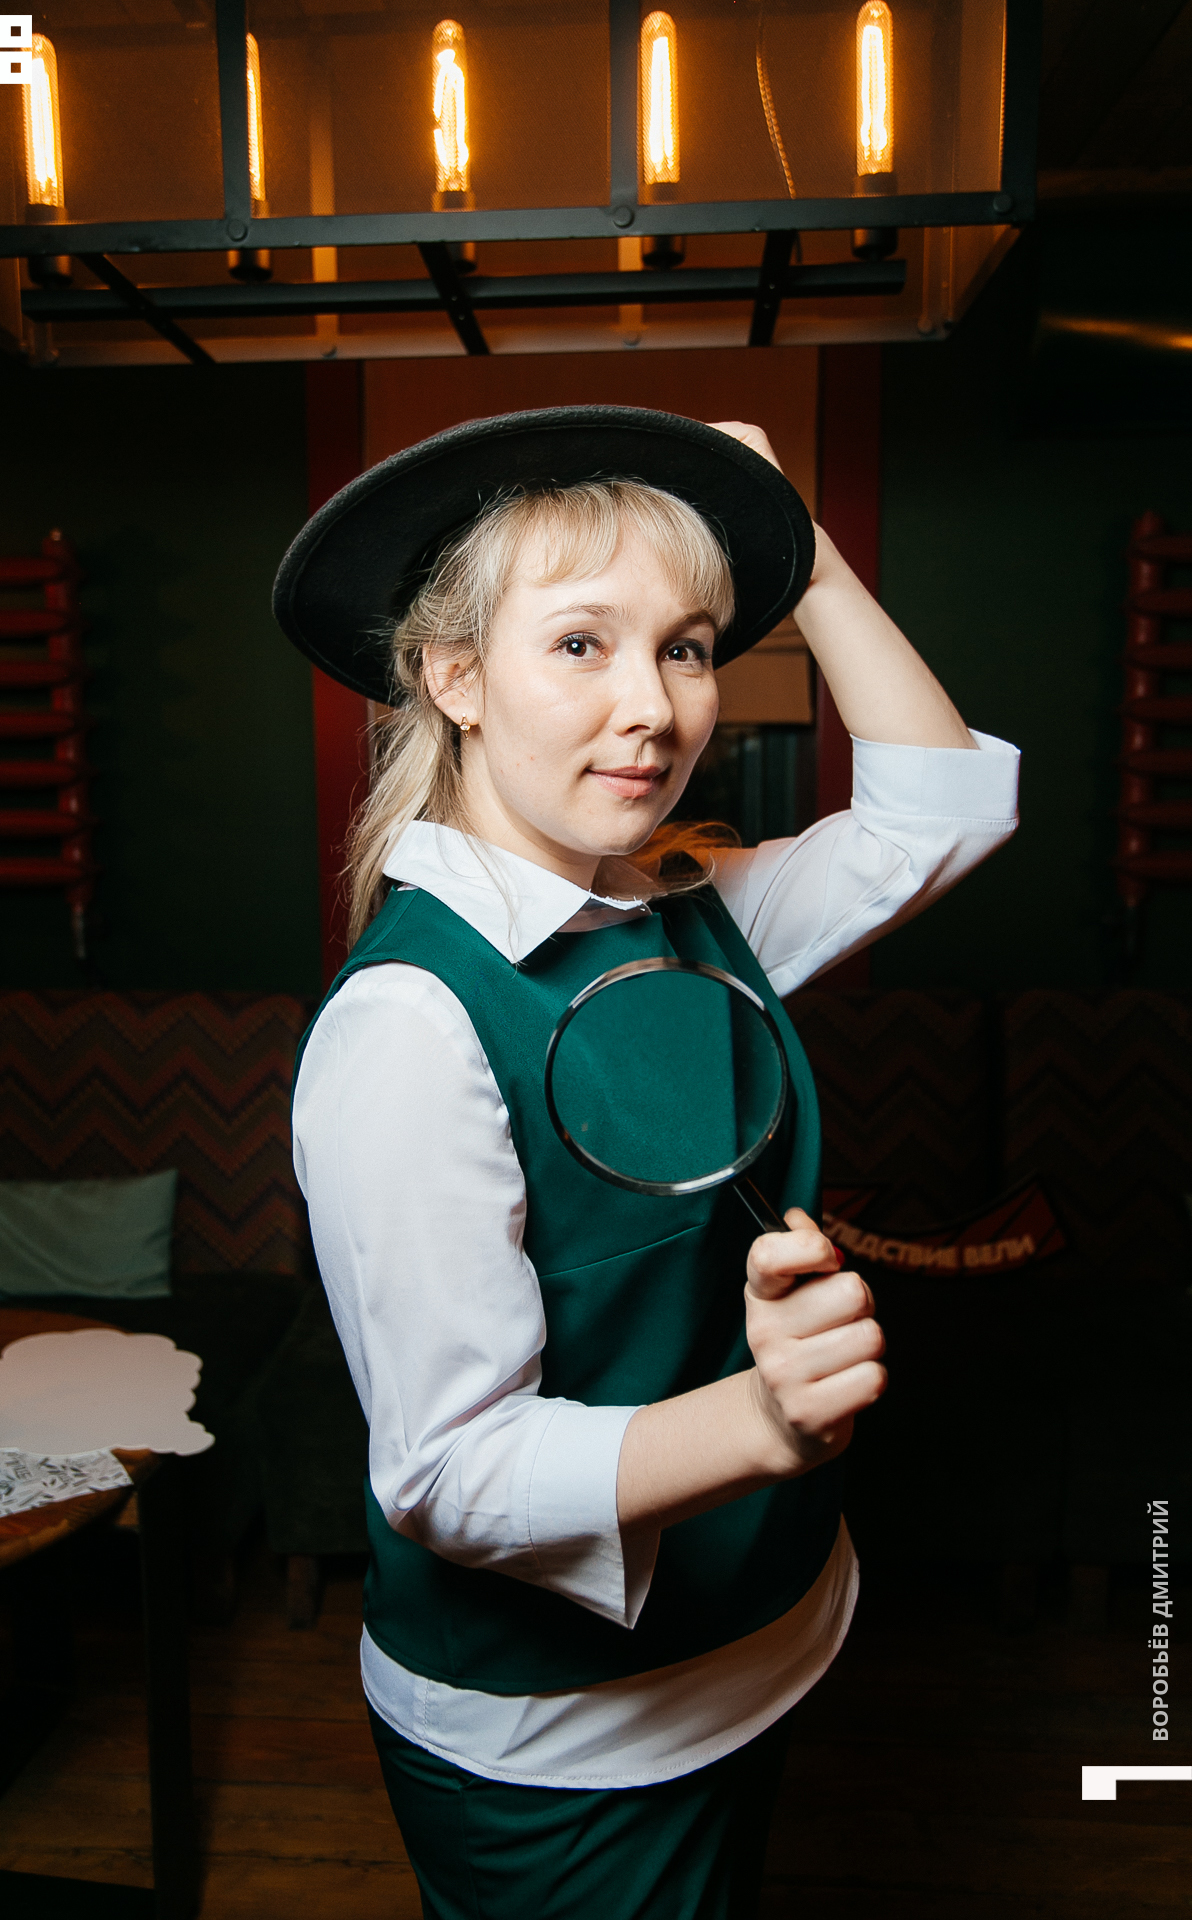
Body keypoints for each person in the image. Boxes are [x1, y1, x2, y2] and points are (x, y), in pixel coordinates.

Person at [276, 405, 1019, 1920]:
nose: (655, 709)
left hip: (768, 1640)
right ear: (454, 676)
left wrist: (801, 546)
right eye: (580, 644)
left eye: (685, 648)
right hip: (566, 1739)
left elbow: (947, 807)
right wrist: (762, 1418)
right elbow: (447, 1471)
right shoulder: (408, 1028)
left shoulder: (693, 906)